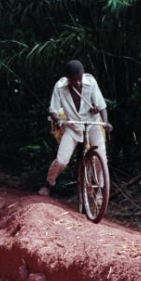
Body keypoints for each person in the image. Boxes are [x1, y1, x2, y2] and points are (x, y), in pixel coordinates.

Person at [38, 60, 112, 196]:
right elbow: (53, 110)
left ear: (83, 74)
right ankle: (49, 184)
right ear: (67, 78)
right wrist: (58, 120)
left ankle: (98, 189)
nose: (78, 83)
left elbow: (102, 106)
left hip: (92, 124)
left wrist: (106, 122)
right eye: (74, 80)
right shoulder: (60, 87)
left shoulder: (91, 82)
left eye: (79, 79)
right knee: (61, 160)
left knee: (100, 157)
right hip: (72, 126)